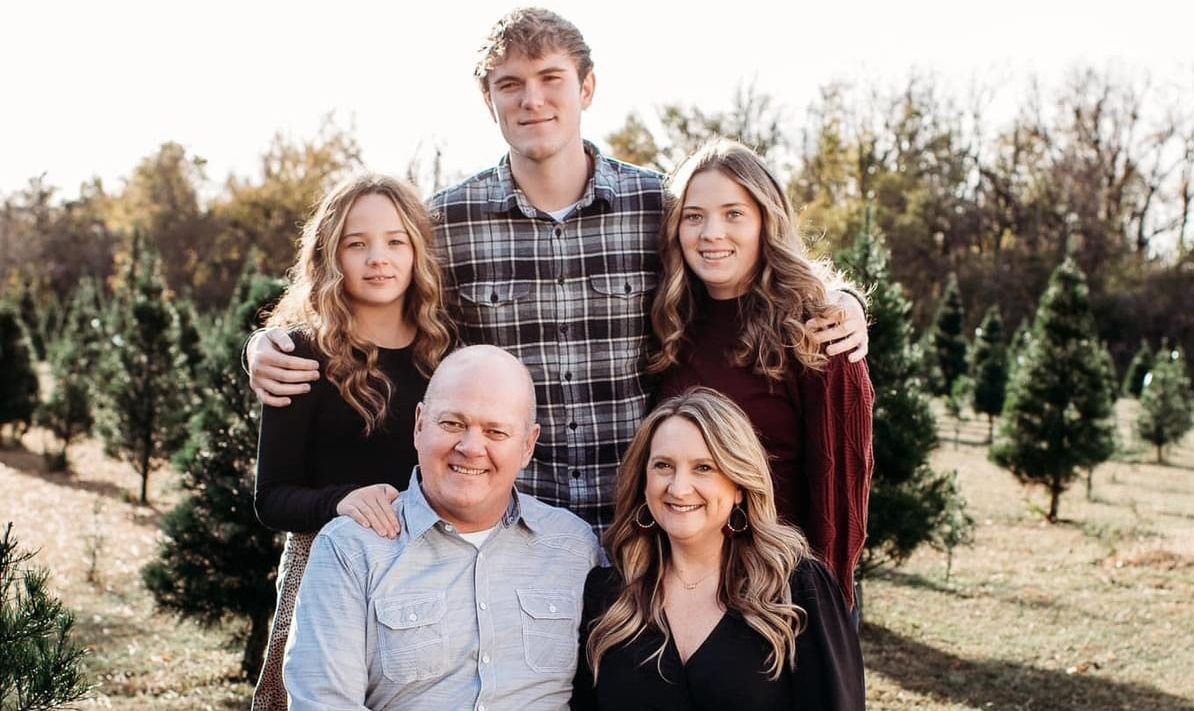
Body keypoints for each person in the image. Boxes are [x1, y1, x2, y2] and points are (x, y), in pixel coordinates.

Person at [244, 7, 869, 533]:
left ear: (587, 88)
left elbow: (743, 270)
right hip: (511, 531)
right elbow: (366, 302)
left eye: (551, 78)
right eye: (510, 83)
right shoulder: (446, 223)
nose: (532, 99)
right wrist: (264, 343)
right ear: (488, 99)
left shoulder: (657, 207)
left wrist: (841, 299)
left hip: (645, 525)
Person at [284, 345, 601, 710]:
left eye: (496, 432)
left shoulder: (574, 548)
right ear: (420, 425)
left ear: (528, 446)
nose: (471, 447)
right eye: (453, 424)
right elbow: (323, 703)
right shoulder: (350, 550)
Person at [251, 173, 452, 710]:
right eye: (356, 244)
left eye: (395, 241)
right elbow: (271, 499)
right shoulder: (299, 355)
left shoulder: (447, 354)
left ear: (416, 251)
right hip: (323, 569)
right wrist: (340, 502)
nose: (377, 259)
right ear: (330, 255)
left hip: (430, 571)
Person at [652, 139, 875, 608]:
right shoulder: (667, 325)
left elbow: (840, 501)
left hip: (781, 594)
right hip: (680, 592)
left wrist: (821, 610)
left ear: (765, 222)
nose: (711, 232)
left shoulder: (818, 333)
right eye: (694, 216)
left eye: (734, 214)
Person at [571, 387, 865, 711]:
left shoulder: (798, 590)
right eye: (663, 466)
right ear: (643, 482)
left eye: (704, 467)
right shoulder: (607, 598)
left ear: (739, 485)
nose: (679, 488)